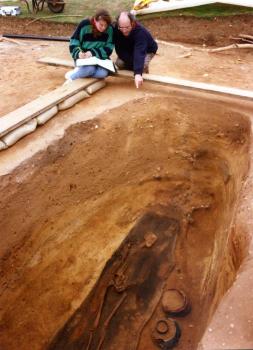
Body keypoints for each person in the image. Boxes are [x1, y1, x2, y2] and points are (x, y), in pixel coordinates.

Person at [65, 9, 114, 81]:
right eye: (101, 25)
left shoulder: (110, 29)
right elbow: (74, 42)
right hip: (84, 59)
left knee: (103, 73)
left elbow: (109, 48)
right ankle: (72, 77)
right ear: (95, 20)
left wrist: (92, 53)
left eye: (105, 25)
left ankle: (81, 73)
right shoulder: (84, 25)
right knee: (90, 69)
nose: (104, 28)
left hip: (101, 59)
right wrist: (79, 53)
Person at [114, 11, 158, 88]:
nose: (124, 30)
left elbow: (140, 52)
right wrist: (133, 63)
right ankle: (137, 67)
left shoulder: (141, 32)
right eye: (121, 27)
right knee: (119, 63)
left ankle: (143, 69)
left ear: (133, 23)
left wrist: (137, 73)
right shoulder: (117, 28)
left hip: (148, 50)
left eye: (127, 27)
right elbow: (119, 49)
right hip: (130, 49)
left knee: (141, 65)